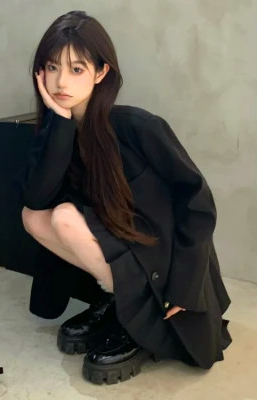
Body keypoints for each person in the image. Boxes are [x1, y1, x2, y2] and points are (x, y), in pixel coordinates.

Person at [15, 10, 232, 385]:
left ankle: (139, 315)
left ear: (101, 73)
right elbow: (36, 199)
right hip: (121, 247)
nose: (61, 81)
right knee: (34, 216)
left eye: (77, 69)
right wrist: (60, 122)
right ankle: (119, 300)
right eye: (52, 67)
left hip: (161, 258)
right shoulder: (56, 133)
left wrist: (184, 286)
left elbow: (198, 204)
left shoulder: (138, 126)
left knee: (64, 216)